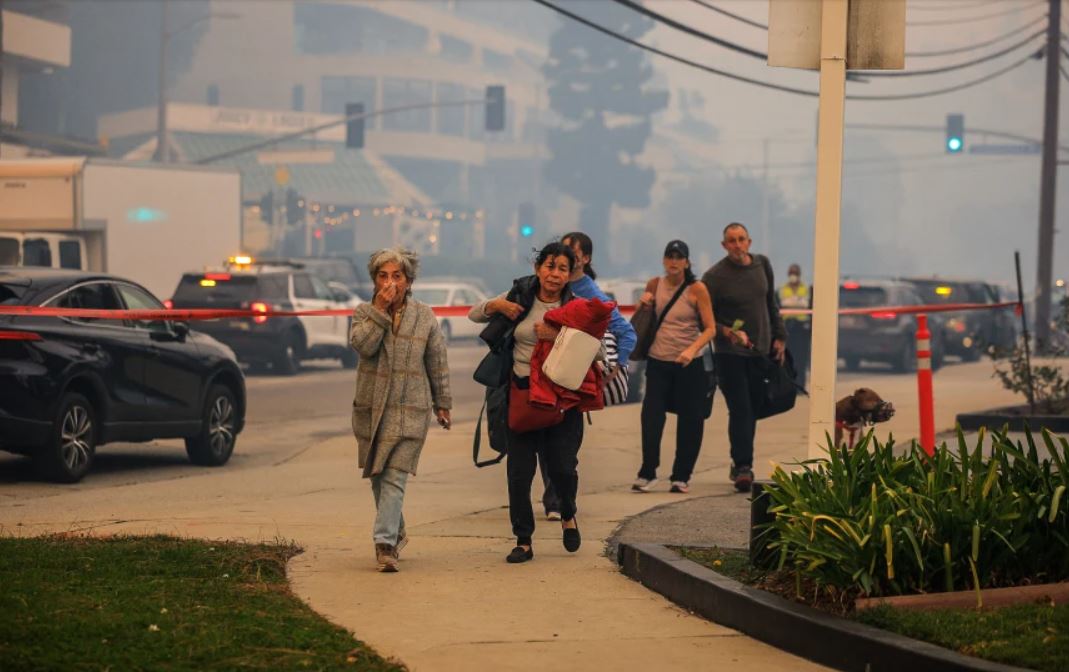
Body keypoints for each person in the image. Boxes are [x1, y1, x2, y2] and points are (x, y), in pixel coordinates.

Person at [468, 242, 584, 564]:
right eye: (549, 266)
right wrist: (496, 306)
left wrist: (557, 336)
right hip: (520, 397)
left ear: (569, 274)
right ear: (538, 268)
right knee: (519, 474)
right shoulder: (520, 295)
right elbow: (474, 314)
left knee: (562, 468)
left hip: (561, 403)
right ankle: (523, 540)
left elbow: (596, 351)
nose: (554, 274)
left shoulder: (578, 307)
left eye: (562, 268)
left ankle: (568, 515)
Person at [349, 247, 452, 573]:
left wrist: (443, 403)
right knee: (378, 477)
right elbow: (362, 345)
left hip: (410, 409)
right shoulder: (364, 312)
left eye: (397, 276)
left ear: (409, 281)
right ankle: (397, 530)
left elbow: (437, 361)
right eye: (383, 276)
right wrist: (380, 309)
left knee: (394, 477)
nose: (390, 283)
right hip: (372, 409)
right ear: (374, 280)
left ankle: (385, 545)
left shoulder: (424, 316)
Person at [524, 231, 639, 521]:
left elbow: (626, 332)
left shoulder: (588, 294)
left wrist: (616, 365)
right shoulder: (542, 288)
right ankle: (555, 499)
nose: (562, 261)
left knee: (561, 445)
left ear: (584, 259)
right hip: (541, 378)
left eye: (570, 255)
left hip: (569, 381)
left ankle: (558, 500)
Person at [701, 223, 786, 494]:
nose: (737, 245)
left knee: (756, 407)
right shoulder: (714, 276)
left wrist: (779, 336)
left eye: (741, 240)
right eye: (731, 241)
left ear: (749, 242)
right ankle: (743, 466)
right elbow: (706, 316)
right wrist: (726, 332)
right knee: (741, 409)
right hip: (730, 354)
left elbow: (771, 302)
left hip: (760, 351)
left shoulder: (762, 265)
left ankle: (740, 461)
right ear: (724, 245)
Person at [632, 239, 716, 495]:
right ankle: (648, 472)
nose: (674, 261)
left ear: (687, 262)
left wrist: (691, 350)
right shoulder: (654, 285)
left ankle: (681, 476)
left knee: (691, 419)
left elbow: (710, 328)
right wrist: (642, 305)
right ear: (663, 260)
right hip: (659, 361)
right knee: (651, 416)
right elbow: (642, 320)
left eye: (679, 257)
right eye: (670, 256)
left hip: (689, 364)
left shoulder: (697, 289)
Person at [779, 263, 811, 389]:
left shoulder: (806, 289)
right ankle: (789, 386)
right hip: (787, 328)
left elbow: (808, 305)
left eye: (795, 273)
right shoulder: (782, 289)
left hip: (802, 329)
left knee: (801, 359)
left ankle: (800, 385)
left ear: (799, 275)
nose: (793, 276)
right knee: (788, 358)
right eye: (792, 273)